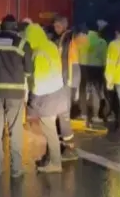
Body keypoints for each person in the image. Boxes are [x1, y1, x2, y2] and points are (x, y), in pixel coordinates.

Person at [0, 14, 33, 178]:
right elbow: (29, 71)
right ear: (15, 29)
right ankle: (16, 169)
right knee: (15, 130)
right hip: (15, 93)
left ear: (2, 27)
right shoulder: (22, 43)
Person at [25, 23, 67, 173]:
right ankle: (50, 158)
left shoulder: (37, 53)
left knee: (49, 130)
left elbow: (37, 80)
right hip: (57, 92)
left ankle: (55, 163)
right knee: (52, 128)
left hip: (46, 96)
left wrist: (31, 101)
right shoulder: (51, 46)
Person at [49, 15, 81, 161]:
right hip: (61, 82)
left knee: (63, 116)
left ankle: (69, 148)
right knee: (60, 115)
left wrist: (73, 86)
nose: (55, 29)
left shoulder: (68, 40)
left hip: (65, 82)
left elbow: (71, 64)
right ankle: (64, 145)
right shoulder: (62, 39)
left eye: (57, 26)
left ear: (63, 25)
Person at [76, 21, 109, 129]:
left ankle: (83, 114)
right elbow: (104, 58)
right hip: (97, 68)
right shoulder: (102, 42)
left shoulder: (81, 39)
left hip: (83, 66)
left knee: (82, 90)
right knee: (96, 91)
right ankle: (95, 116)